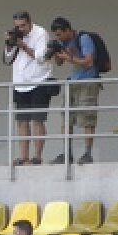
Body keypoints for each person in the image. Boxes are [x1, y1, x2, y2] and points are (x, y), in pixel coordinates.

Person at [3, 11, 53, 166]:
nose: (21, 29)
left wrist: (23, 46)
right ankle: (23, 156)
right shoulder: (16, 36)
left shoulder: (40, 33)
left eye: (23, 25)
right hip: (20, 83)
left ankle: (37, 157)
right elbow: (7, 59)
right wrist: (9, 43)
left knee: (37, 120)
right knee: (21, 120)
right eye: (17, 26)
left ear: (30, 22)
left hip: (39, 81)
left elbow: (41, 57)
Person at [48, 17, 100, 165]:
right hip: (72, 82)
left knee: (87, 119)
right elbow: (59, 63)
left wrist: (69, 58)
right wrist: (55, 51)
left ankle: (88, 153)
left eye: (59, 34)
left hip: (88, 82)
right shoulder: (64, 42)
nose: (58, 37)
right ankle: (67, 153)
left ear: (68, 30)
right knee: (66, 118)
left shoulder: (83, 39)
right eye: (56, 35)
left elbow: (89, 62)